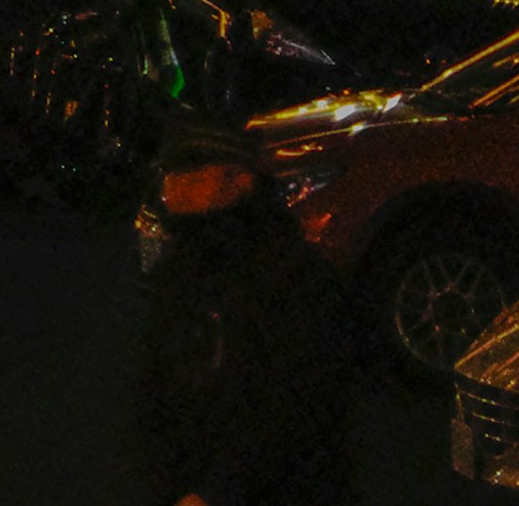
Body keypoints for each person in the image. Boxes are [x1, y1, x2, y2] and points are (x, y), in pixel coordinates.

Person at [130, 140, 358, 506]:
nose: (172, 191)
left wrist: (216, 491)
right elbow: (153, 386)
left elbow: (294, 402)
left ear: (237, 181)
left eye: (191, 178)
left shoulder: (292, 277)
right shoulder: (177, 273)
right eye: (170, 179)